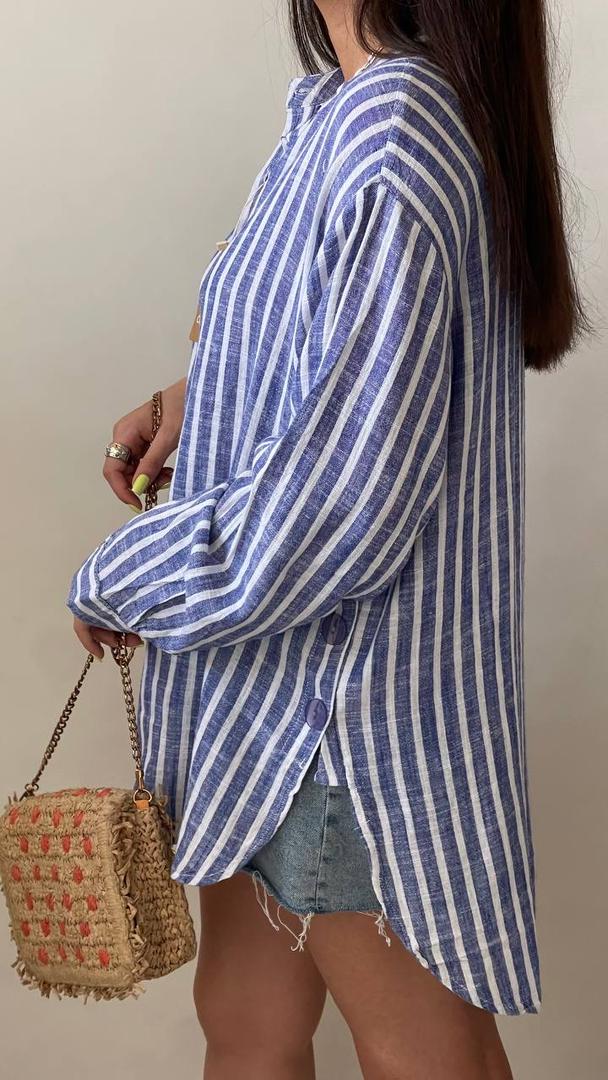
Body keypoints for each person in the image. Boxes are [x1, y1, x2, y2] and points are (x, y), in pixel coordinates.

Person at [66, 2, 590, 1077]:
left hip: (342, 729)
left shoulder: (399, 134)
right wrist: (197, 399)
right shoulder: (333, 112)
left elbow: (342, 507)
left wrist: (127, 577)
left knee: (424, 1058)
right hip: (250, 705)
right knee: (246, 1030)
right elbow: (331, 368)